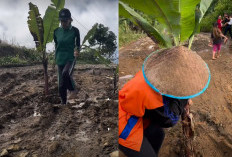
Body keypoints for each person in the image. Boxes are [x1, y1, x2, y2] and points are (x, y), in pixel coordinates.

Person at [118, 46, 211, 157]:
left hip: (137, 110)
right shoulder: (152, 97)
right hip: (125, 122)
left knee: (158, 135)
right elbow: (169, 120)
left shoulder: (154, 73)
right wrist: (184, 99)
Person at [53, 8, 80, 104]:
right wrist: (54, 57)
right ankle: (63, 103)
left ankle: (73, 90)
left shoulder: (75, 31)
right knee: (61, 85)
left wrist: (77, 50)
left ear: (70, 20)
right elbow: (56, 45)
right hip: (60, 58)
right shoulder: (56, 31)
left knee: (65, 73)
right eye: (61, 21)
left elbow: (78, 44)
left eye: (65, 20)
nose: (63, 23)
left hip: (70, 58)